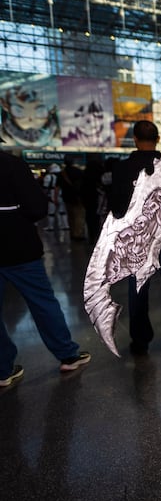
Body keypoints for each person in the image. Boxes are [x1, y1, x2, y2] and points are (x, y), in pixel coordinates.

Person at [0, 149, 91, 387]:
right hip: (18, 246)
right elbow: (37, 207)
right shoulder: (11, 164)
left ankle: (2, 368)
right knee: (42, 302)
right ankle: (67, 354)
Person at [110, 120, 161, 355]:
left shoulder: (121, 169)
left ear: (135, 139)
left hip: (137, 241)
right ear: (158, 140)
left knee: (137, 291)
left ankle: (140, 341)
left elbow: (115, 206)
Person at [58, 156, 86, 240]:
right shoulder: (78, 171)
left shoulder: (62, 173)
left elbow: (57, 186)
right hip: (78, 197)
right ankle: (78, 234)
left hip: (67, 197)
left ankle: (72, 233)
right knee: (79, 216)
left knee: (70, 216)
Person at [42, 163, 68, 231]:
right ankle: (65, 226)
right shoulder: (63, 176)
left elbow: (45, 188)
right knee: (62, 212)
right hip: (62, 196)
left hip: (52, 196)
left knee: (51, 213)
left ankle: (51, 227)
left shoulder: (48, 177)